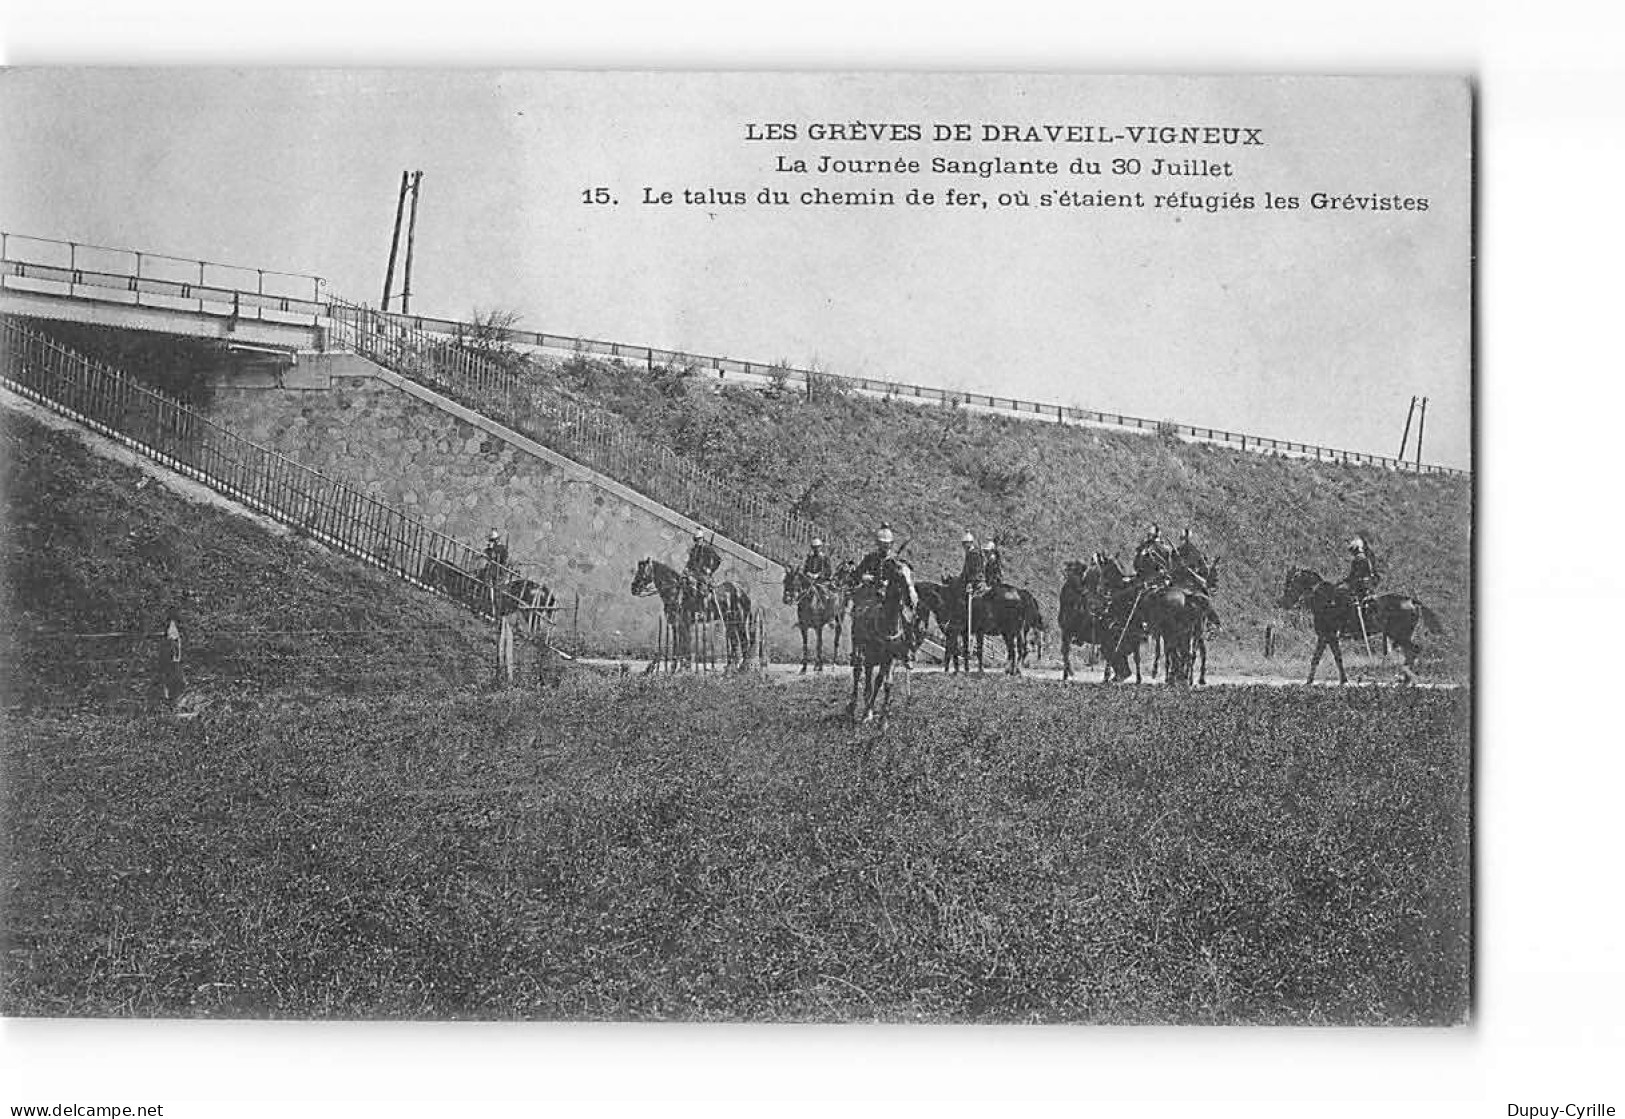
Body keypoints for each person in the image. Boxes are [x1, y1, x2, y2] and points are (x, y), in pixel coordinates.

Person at [1340, 537, 1380, 601]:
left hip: (1360, 585)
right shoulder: (1366, 558)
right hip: (1367, 584)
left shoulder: (1358, 559)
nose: (1351, 553)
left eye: (1351, 550)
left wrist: (1344, 581)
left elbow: (1354, 574)